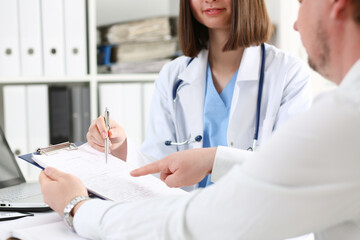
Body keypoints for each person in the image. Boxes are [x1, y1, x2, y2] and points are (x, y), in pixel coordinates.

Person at [39, 0, 360, 239]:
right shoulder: (175, 74)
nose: (294, 24)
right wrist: (124, 149)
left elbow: (224, 211)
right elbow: (157, 166)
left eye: (302, 1)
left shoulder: (336, 113)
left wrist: (78, 208)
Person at [86, 0, 312, 189]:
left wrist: (213, 161)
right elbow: (158, 167)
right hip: (189, 220)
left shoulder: (288, 73)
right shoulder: (173, 75)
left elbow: (290, 169)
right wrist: (120, 145)